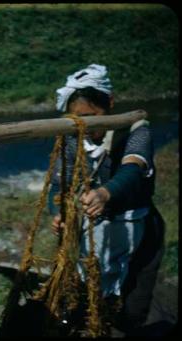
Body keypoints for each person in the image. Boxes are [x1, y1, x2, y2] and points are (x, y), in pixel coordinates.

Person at [48, 64, 165, 335]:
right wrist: (60, 214)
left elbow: (133, 168)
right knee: (80, 296)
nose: (85, 127)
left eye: (91, 117)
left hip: (138, 229)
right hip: (92, 228)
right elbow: (60, 183)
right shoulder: (73, 136)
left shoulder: (136, 130)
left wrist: (104, 193)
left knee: (130, 309)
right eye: (78, 120)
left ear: (109, 104)